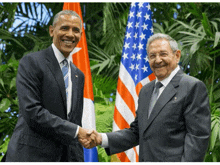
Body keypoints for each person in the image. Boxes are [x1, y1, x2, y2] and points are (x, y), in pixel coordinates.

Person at [82, 33, 211, 162]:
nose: (158, 60)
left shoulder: (192, 87)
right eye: (152, 56)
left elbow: (197, 138)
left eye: (163, 54)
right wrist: (101, 138)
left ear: (177, 56)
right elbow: (137, 132)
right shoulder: (146, 91)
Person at [5, 10, 95, 162]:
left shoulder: (78, 75)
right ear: (52, 31)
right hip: (30, 157)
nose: (70, 34)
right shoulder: (32, 62)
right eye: (64, 28)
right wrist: (76, 131)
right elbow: (32, 111)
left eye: (76, 30)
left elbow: (74, 122)